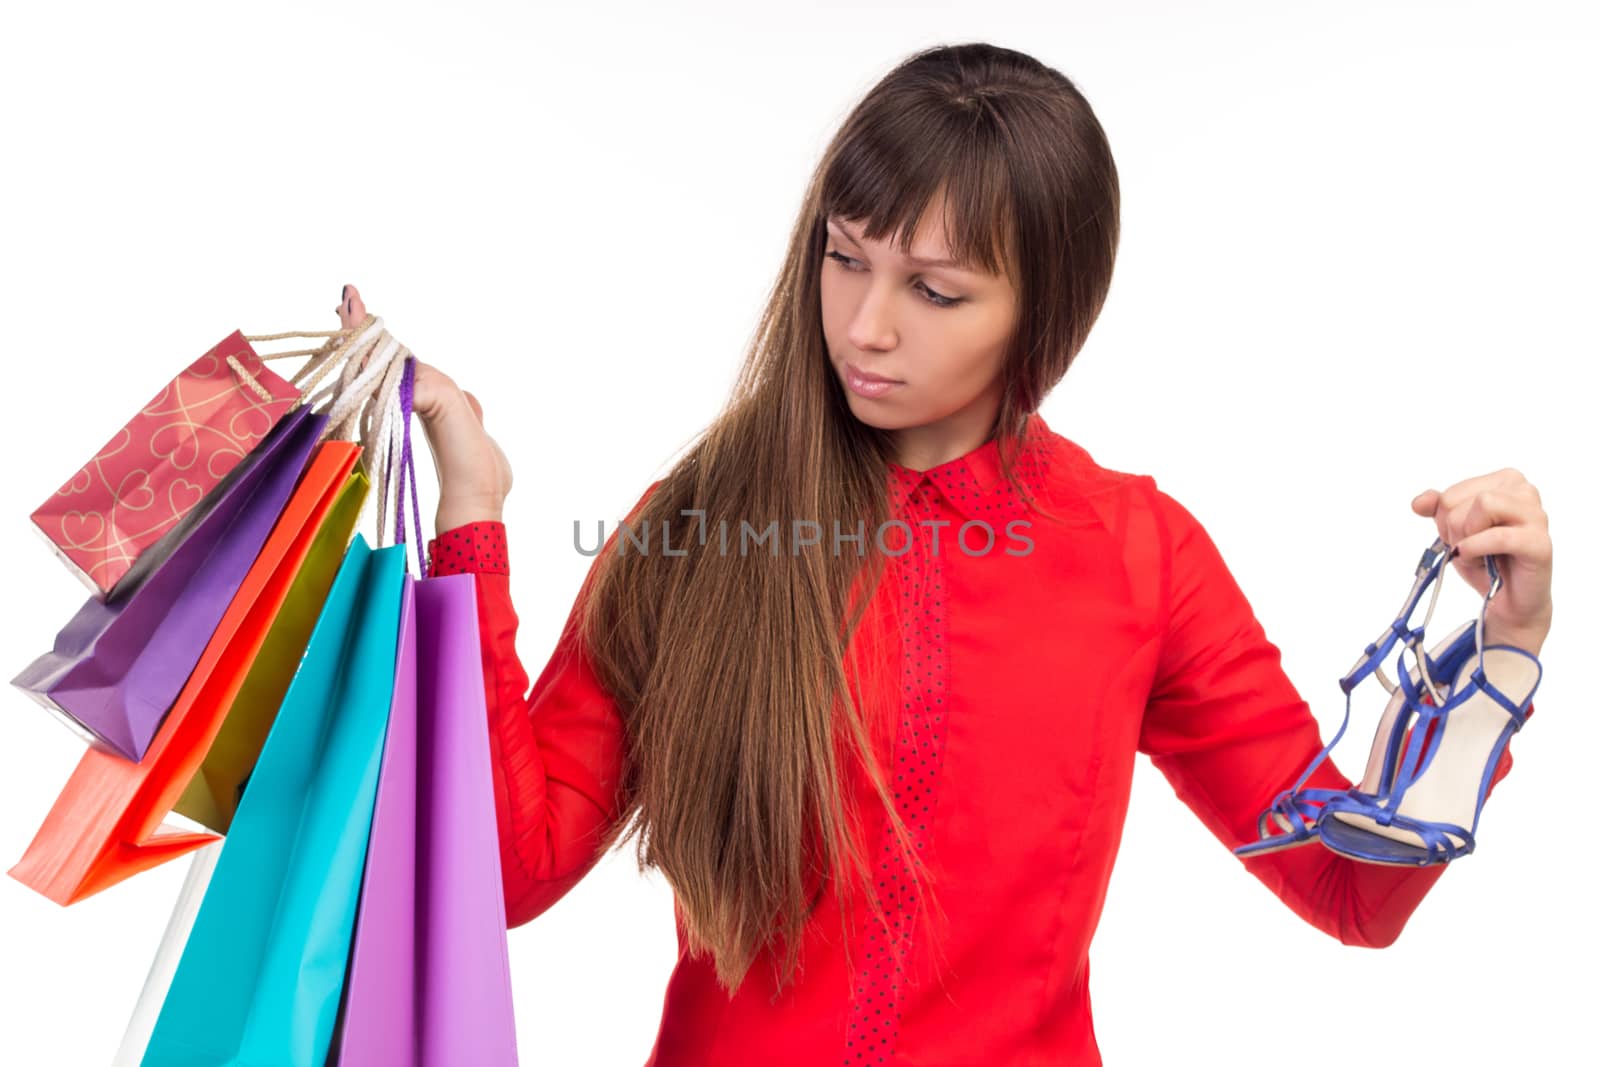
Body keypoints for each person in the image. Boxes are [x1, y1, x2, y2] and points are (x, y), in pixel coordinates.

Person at [337, 41, 1553, 1067]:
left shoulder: (1139, 553)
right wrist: (472, 521)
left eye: (934, 289)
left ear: (1045, 308)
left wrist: (1499, 657)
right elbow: (502, 870)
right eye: (844, 255)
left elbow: (1350, 888)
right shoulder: (699, 525)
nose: (865, 325)